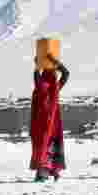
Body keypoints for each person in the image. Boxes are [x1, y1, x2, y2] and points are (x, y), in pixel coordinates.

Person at [30, 53, 69, 182]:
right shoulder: (55, 87)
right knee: (51, 146)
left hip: (41, 124)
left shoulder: (40, 86)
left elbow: (36, 76)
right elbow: (66, 73)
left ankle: (43, 173)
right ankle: (52, 171)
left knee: (43, 147)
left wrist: (38, 65)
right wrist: (56, 63)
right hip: (53, 123)